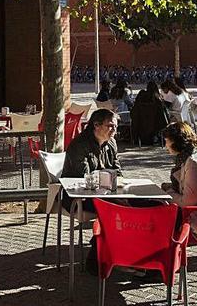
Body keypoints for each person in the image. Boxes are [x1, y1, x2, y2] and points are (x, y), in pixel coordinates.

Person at [60, 108, 121, 274]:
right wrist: (108, 179)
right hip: (77, 198)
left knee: (134, 205)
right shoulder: (79, 145)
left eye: (115, 126)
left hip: (105, 195)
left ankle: (113, 250)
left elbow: (117, 170)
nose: (114, 130)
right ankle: (96, 257)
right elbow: (84, 177)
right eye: (110, 126)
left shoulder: (112, 144)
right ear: (96, 125)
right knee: (116, 210)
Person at [131, 81, 169, 146]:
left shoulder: (141, 96)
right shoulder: (157, 100)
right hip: (156, 125)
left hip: (141, 124)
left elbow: (134, 110)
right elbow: (164, 114)